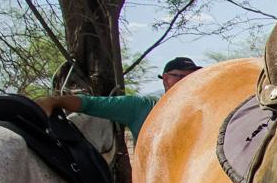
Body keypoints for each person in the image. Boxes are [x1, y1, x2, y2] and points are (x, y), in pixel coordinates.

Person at [35, 56, 200, 138]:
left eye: (194, 77)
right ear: (166, 78)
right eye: (181, 76)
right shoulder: (140, 107)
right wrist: (55, 101)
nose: (188, 81)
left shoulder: (202, 108)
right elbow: (90, 104)